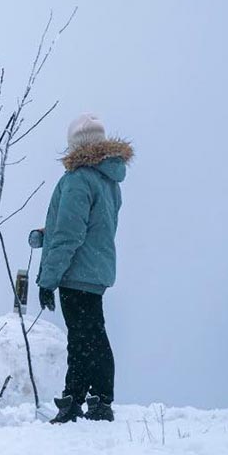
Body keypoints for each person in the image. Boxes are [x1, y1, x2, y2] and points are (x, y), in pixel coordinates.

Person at [33, 113, 133, 424]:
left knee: (83, 337)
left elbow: (70, 235)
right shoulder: (107, 180)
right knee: (90, 335)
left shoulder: (77, 180)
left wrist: (47, 280)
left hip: (76, 273)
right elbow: (88, 229)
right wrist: (45, 235)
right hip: (96, 269)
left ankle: (86, 399)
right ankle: (84, 397)